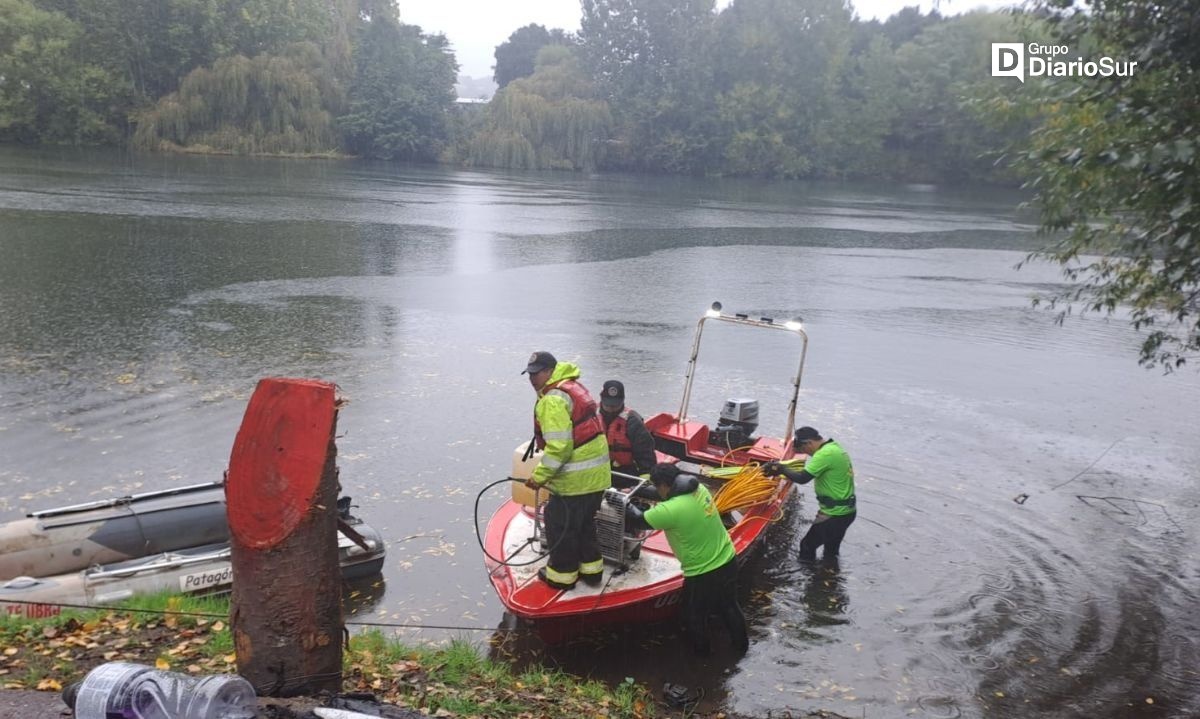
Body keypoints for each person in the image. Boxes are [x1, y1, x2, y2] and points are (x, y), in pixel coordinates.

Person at [623, 463, 749, 655]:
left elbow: (638, 519)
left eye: (657, 487)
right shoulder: (700, 489)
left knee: (693, 616)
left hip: (703, 571)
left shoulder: (670, 510)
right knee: (729, 605)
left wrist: (622, 501)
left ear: (664, 485)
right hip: (728, 558)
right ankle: (741, 648)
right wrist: (638, 490)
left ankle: (702, 658)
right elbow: (666, 495)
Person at [522, 351, 612, 590]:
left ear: (550, 371)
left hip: (574, 481)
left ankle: (561, 577)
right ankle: (592, 573)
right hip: (597, 478)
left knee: (560, 527)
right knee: (585, 524)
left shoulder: (552, 400)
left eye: (537, 373)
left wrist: (539, 477)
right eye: (529, 374)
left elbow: (560, 447)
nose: (532, 379)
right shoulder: (572, 386)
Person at [762, 426, 856, 568]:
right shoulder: (835, 448)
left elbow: (802, 478)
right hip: (847, 512)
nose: (806, 453)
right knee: (831, 550)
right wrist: (783, 470)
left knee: (807, 546)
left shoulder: (825, 454)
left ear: (809, 443)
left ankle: (807, 579)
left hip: (834, 514)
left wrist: (780, 468)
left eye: (803, 449)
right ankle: (829, 576)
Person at [598, 379, 657, 485]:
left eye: (615, 405)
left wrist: (645, 476)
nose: (611, 409)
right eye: (608, 405)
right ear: (601, 399)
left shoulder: (633, 421)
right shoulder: (591, 416)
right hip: (596, 470)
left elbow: (645, 452)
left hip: (624, 473)